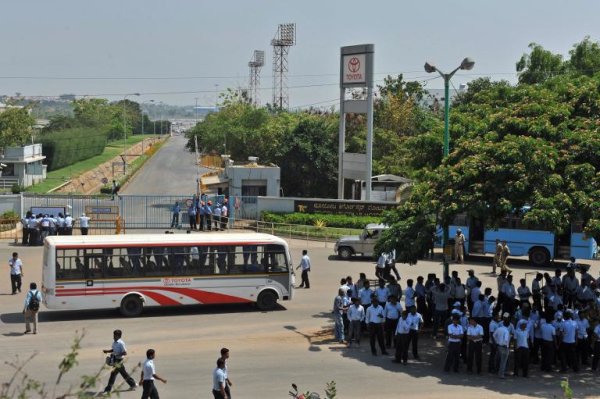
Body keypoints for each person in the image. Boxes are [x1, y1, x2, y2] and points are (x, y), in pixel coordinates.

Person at [102, 329, 137, 394]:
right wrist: (107, 351)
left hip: (119, 361)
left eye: (115, 335)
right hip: (115, 359)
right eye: (113, 335)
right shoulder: (114, 342)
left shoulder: (121, 343)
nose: (113, 336)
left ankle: (107, 390)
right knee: (124, 374)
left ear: (118, 336)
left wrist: (117, 354)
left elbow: (124, 353)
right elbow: (114, 350)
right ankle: (133, 384)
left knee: (113, 374)